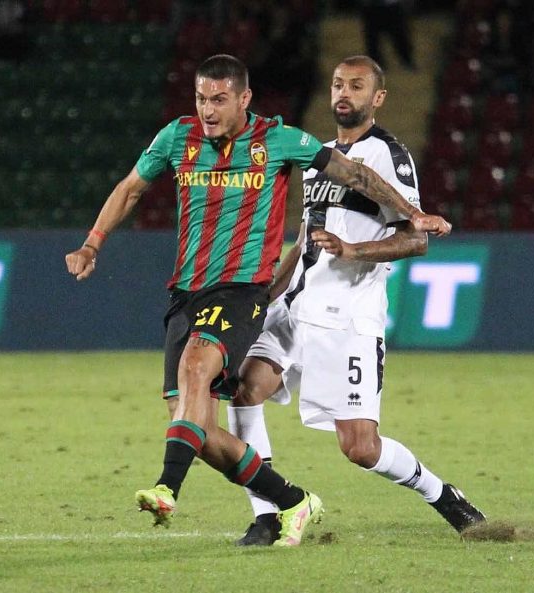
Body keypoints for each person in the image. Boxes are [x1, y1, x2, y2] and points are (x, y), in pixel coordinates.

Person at [65, 54, 452, 546]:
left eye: (219, 99)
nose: (208, 110)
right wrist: (92, 243)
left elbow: (360, 179)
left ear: (244, 99)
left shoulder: (287, 141)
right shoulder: (178, 137)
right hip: (209, 293)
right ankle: (284, 504)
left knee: (207, 374)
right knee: (202, 420)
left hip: (266, 296)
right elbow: (131, 190)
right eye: (201, 99)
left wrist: (410, 214)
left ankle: (168, 488)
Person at [227, 55, 486, 546]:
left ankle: (442, 495)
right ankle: (268, 515)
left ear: (378, 97)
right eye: (337, 84)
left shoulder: (389, 155)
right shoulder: (321, 154)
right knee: (242, 388)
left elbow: (415, 240)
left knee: (361, 448)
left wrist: (353, 250)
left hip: (347, 316)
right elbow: (304, 238)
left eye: (356, 86)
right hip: (295, 306)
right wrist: (266, 296)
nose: (343, 93)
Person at [359, 0, 417, 71]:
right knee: (372, 40)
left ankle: (407, 61)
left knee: (400, 36)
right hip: (372, 7)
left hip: (391, 6)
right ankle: (376, 64)